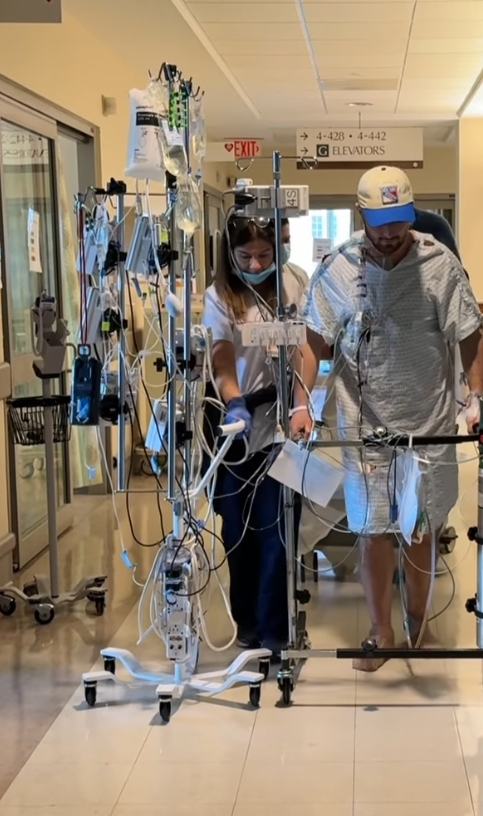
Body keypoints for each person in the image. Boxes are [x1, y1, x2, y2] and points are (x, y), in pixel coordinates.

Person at [291, 165, 483, 672]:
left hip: (427, 422)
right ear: (362, 216)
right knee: (373, 530)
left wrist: (477, 397)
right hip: (364, 428)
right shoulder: (338, 268)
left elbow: (470, 336)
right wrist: (300, 404)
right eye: (380, 224)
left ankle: (417, 627)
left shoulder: (438, 264)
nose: (390, 233)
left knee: (419, 529)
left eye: (399, 221)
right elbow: (312, 342)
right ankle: (383, 631)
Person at [202, 215, 306, 655]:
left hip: (279, 423)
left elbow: (304, 349)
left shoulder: (291, 288)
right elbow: (222, 356)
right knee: (237, 532)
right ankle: (247, 623)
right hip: (234, 424)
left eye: (266, 254)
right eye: (246, 256)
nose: (257, 262)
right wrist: (234, 400)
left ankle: (275, 631)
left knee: (277, 528)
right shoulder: (219, 296)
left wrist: (301, 403)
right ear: (230, 254)